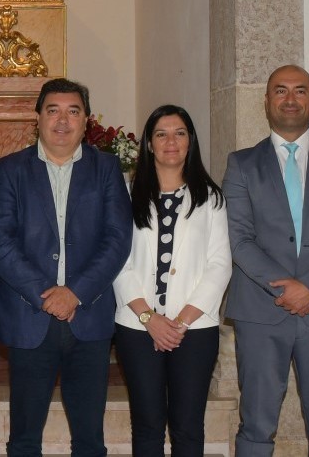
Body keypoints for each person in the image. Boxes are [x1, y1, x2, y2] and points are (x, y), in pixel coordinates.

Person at [222, 65, 309, 457]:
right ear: (266, 101)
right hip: (260, 310)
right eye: (280, 90)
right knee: (255, 426)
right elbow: (239, 237)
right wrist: (287, 289)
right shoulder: (241, 164)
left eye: (300, 91)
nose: (290, 99)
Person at [0, 77, 132, 456]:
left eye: (73, 111)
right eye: (53, 111)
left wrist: (76, 293)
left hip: (89, 316)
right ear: (37, 118)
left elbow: (118, 239)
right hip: (30, 315)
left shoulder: (106, 169)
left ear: (86, 120)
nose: (63, 121)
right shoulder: (9, 169)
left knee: (89, 440)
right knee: (24, 439)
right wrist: (46, 295)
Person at [112, 104, 230, 457]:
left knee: (188, 427)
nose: (171, 142)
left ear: (190, 141)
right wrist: (149, 318)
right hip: (137, 327)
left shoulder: (211, 198)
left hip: (194, 329)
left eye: (179, 133)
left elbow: (220, 265)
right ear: (149, 143)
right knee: (147, 425)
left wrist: (180, 322)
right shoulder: (125, 194)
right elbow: (117, 261)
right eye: (161, 134)